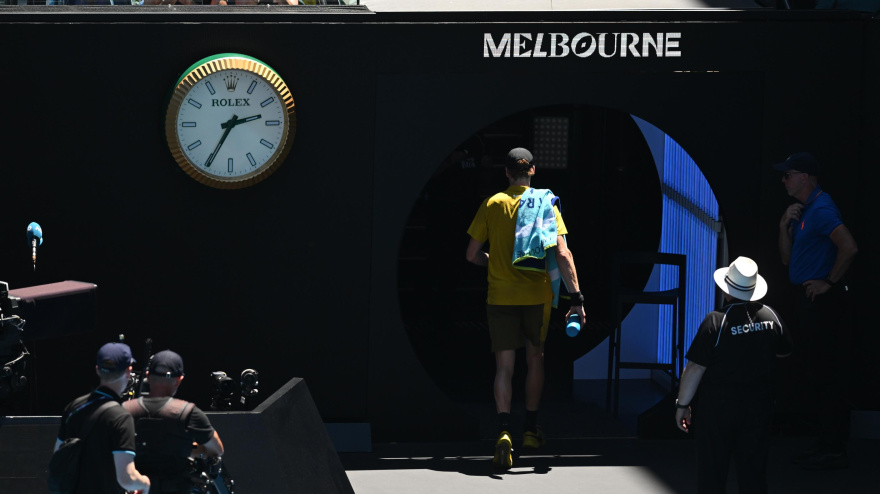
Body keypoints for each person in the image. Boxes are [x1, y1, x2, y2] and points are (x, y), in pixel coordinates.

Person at [465, 147, 585, 470]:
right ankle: (530, 430)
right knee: (535, 359)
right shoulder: (546, 202)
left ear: (506, 173)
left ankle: (503, 431)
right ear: (532, 171)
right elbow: (562, 253)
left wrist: (492, 261)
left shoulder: (492, 204)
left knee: (504, 367)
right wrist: (576, 299)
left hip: (500, 297)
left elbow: (471, 255)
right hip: (536, 297)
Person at [675, 256, 791, 494]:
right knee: (754, 475)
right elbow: (784, 352)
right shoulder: (771, 316)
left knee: (712, 474)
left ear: (727, 288)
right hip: (759, 408)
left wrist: (682, 405)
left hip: (718, 410)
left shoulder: (716, 321)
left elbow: (695, 368)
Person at [774, 151, 858, 469]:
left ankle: (833, 445)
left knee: (826, 373)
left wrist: (829, 283)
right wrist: (783, 225)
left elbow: (849, 247)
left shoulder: (821, 209)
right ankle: (826, 441)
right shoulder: (804, 210)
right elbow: (787, 259)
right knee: (816, 372)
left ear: (804, 178)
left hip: (820, 303)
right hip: (806, 300)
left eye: (788, 175)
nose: (784, 180)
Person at [122, 350, 224, 494]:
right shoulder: (189, 413)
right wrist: (186, 449)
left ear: (148, 376)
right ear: (179, 379)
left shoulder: (124, 410)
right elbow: (217, 450)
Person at [55, 342, 151, 494]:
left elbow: (58, 456)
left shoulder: (73, 407)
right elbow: (127, 479)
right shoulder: (121, 417)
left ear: (98, 370)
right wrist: (145, 483)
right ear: (128, 371)